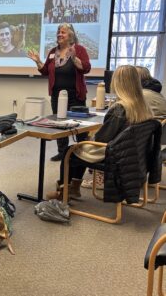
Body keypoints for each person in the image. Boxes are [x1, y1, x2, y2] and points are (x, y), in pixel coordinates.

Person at [46, 65, 154, 200]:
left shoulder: (119, 108)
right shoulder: (144, 106)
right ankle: (73, 188)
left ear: (117, 83)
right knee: (81, 148)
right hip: (133, 156)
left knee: (71, 150)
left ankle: (64, 191)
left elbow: (102, 139)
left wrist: (91, 137)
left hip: (114, 155)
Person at [27, 23, 91, 161]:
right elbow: (45, 71)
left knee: (80, 125)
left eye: (63, 32)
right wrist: (37, 61)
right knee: (59, 123)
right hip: (57, 95)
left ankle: (83, 152)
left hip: (76, 95)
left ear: (71, 35)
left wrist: (74, 58)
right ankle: (62, 152)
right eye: (58, 32)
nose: (59, 34)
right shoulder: (52, 52)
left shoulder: (79, 49)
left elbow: (86, 68)